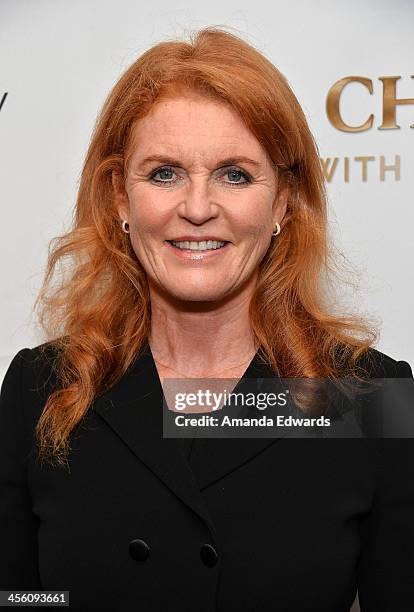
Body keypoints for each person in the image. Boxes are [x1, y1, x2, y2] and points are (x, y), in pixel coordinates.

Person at [0, 26, 413, 612]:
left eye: (235, 174)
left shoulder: (372, 399)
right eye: (164, 172)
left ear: (282, 202)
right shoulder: (40, 389)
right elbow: (18, 596)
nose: (197, 208)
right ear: (120, 197)